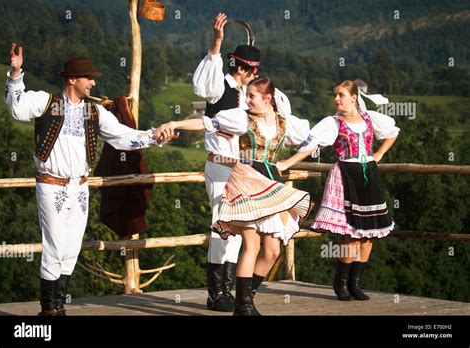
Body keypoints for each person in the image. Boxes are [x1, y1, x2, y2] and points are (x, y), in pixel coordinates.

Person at [4, 43, 165, 316]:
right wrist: (16, 73)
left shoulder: (94, 112)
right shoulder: (46, 102)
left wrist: (153, 136)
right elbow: (17, 108)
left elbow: (122, 136)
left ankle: (58, 307)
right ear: (72, 80)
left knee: (71, 249)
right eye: (88, 78)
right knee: (55, 247)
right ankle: (49, 311)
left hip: (79, 187)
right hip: (51, 185)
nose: (92, 83)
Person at [157, 77, 311, 315]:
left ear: (268, 99)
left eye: (252, 96)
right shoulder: (242, 118)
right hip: (245, 180)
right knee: (251, 245)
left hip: (271, 183)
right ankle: (243, 307)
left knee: (272, 250)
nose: (246, 100)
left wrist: (289, 162)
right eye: (246, 95)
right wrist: (175, 122)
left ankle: (246, 298)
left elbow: (313, 140)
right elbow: (206, 123)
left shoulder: (285, 123)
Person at [192, 12, 291, 312]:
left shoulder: (250, 95)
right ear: (236, 63)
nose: (251, 72)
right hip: (221, 165)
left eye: (256, 68)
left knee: (241, 231)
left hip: (244, 169)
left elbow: (280, 105)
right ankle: (215, 293)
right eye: (248, 67)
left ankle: (229, 290)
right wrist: (216, 44)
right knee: (222, 228)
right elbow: (201, 86)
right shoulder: (219, 85)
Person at [276, 80, 400, 301]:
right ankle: (340, 283)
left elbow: (392, 132)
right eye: (335, 95)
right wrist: (286, 164)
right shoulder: (333, 123)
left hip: (368, 175)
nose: (336, 99)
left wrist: (378, 155)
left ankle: (356, 284)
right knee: (352, 234)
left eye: (341, 95)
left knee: (369, 235)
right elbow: (310, 145)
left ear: (354, 97)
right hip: (346, 175)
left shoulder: (370, 118)